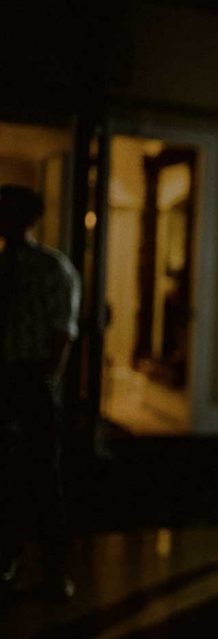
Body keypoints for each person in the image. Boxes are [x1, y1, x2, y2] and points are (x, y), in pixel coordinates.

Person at [0, 184, 80, 602]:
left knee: (44, 477)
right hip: (7, 374)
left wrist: (46, 382)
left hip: (32, 378)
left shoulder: (52, 268)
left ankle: (52, 568)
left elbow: (63, 331)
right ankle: (8, 556)